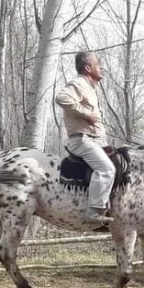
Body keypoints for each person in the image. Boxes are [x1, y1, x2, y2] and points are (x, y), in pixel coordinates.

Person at [55, 51, 113, 225]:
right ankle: (93, 211)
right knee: (106, 169)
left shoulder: (91, 88)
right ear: (88, 68)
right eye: (97, 64)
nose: (101, 67)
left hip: (95, 140)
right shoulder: (79, 83)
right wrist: (87, 113)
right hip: (82, 141)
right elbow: (61, 98)